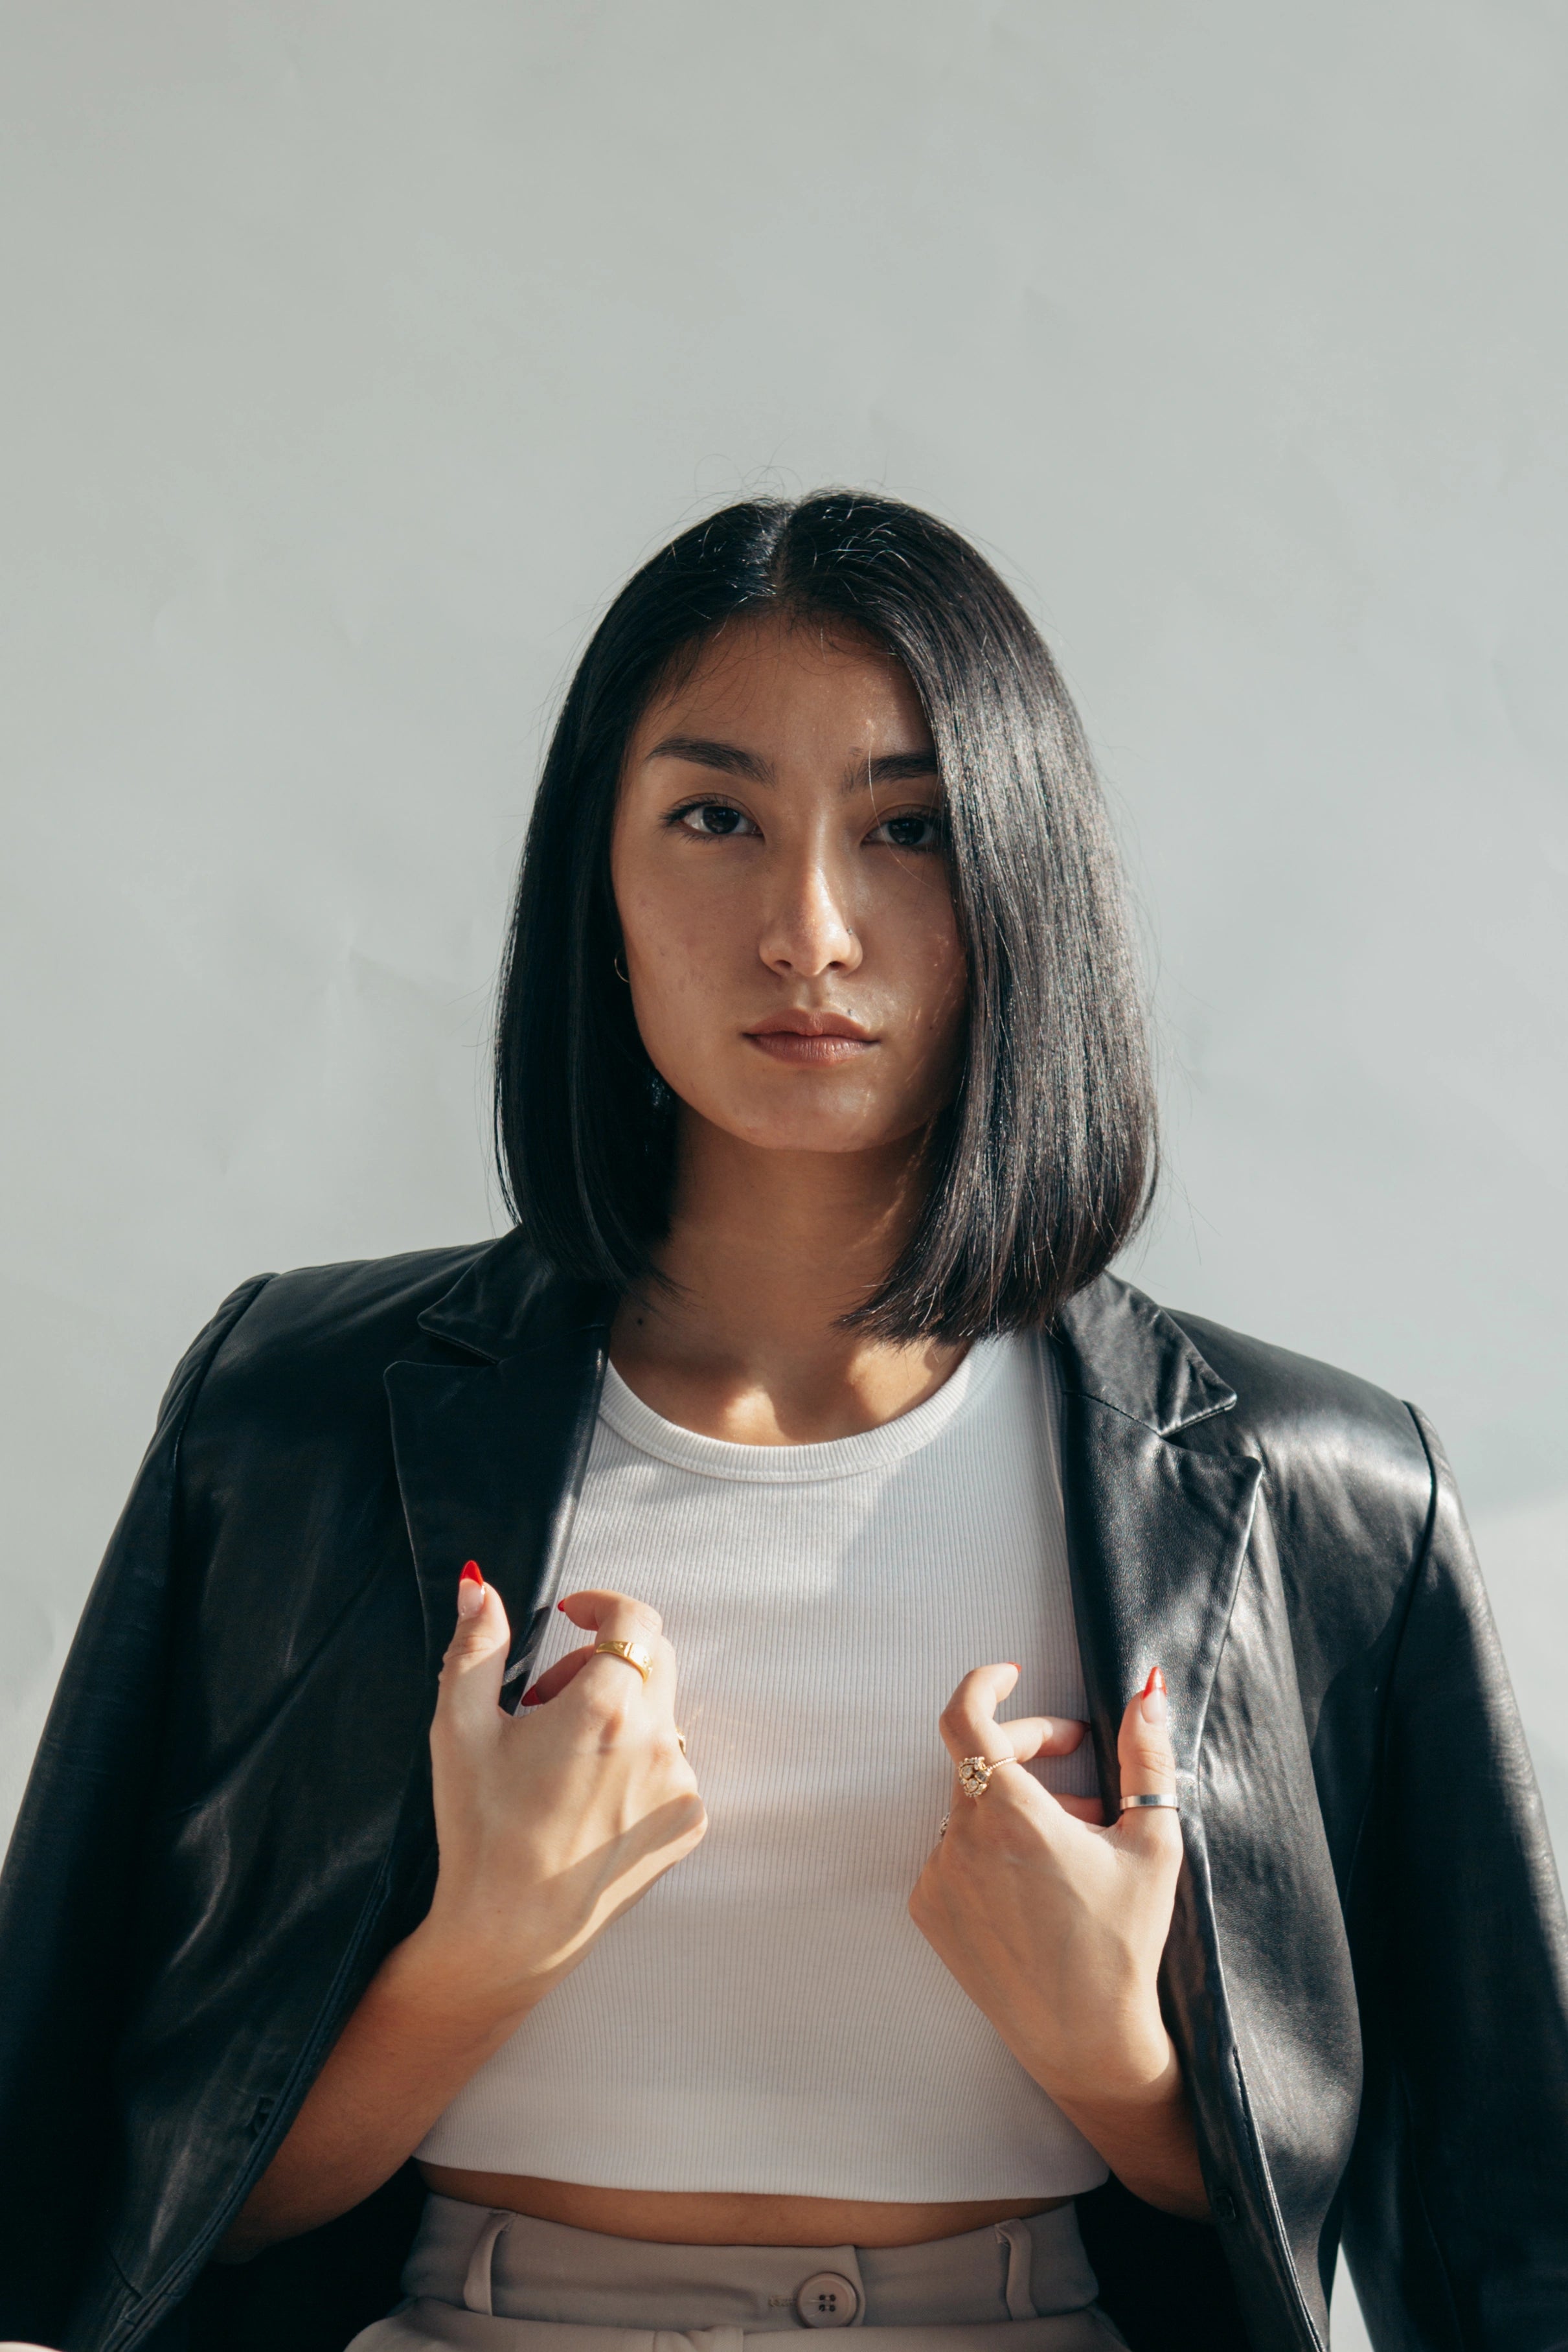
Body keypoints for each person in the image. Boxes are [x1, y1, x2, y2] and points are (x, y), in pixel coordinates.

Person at [0, 495, 1564, 2352]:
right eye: (714, 817)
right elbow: (88, 2206)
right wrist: (467, 1961)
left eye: (909, 830)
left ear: (1024, 887)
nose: (808, 929)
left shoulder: (1323, 1492)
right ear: (599, 876)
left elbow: (1507, 2239)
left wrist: (1126, 2069)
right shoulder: (297, 1417)